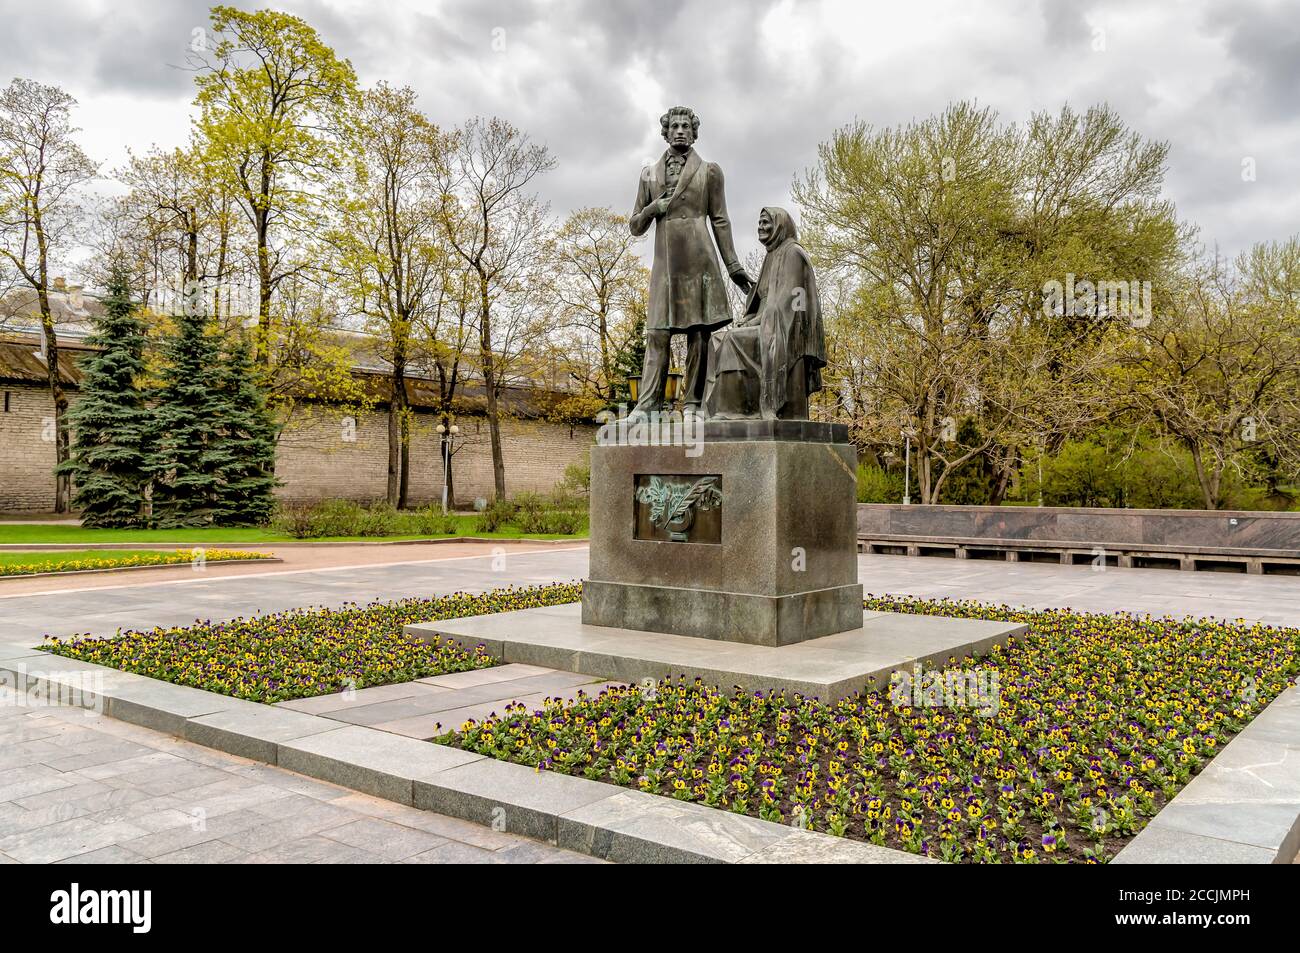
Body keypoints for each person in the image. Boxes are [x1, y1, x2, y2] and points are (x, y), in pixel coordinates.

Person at [626, 106, 753, 420]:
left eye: (686, 126)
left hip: (700, 259)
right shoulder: (648, 174)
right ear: (666, 133)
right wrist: (655, 207)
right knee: (657, 333)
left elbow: (720, 220)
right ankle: (647, 406)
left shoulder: (710, 171)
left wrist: (733, 265)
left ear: (694, 133)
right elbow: (635, 225)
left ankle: (693, 404)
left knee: (699, 334)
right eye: (675, 126)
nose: (681, 130)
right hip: (664, 264)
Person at [703, 207, 827, 420]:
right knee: (715, 340)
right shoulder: (772, 256)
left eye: (766, 222)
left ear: (780, 225)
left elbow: (789, 299)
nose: (761, 227)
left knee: (732, 339)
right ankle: (723, 409)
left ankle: (733, 412)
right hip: (765, 324)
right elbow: (763, 301)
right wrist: (750, 318)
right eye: (760, 223)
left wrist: (759, 320)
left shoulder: (793, 253)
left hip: (784, 329)